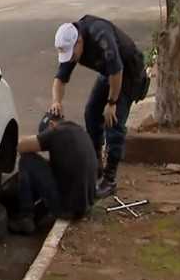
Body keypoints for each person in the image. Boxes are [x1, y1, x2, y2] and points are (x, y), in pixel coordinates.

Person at [50, 15, 150, 199]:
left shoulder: (100, 35)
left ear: (79, 40)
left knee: (113, 121)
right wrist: (57, 101)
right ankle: (96, 162)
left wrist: (112, 103)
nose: (71, 58)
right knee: (91, 111)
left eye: (72, 53)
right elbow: (60, 79)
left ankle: (110, 180)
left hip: (126, 74)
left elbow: (117, 71)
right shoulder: (72, 40)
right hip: (109, 73)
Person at [8, 112, 97, 235]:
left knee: (27, 160)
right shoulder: (77, 131)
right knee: (39, 167)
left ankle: (26, 218)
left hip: (68, 208)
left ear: (51, 124)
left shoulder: (56, 132)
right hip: (85, 206)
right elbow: (62, 165)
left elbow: (21, 146)